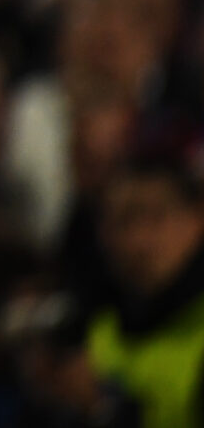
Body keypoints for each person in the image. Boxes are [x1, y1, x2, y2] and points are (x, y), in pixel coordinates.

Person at [85, 150, 204, 428]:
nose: (138, 239)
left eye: (156, 216)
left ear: (198, 216)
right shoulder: (96, 331)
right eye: (121, 221)